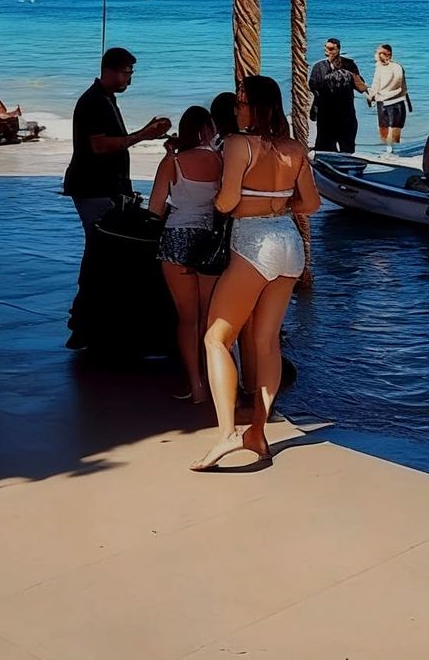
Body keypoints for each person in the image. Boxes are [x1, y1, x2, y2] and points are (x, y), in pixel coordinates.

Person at [191, 74, 320, 471]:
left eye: (243, 102)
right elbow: (311, 204)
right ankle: (258, 431)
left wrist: (224, 198)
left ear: (257, 106)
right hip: (288, 244)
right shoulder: (295, 149)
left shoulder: (237, 144)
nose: (237, 107)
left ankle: (228, 432)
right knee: (266, 341)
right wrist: (276, 201)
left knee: (216, 338)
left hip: (252, 245)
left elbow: (228, 203)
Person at [62, 47, 170, 349]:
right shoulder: (94, 102)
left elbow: (113, 141)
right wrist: (142, 135)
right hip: (93, 187)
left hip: (106, 186)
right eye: (126, 74)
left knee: (101, 252)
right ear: (110, 70)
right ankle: (84, 320)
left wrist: (143, 133)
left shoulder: (106, 100)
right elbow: (100, 146)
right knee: (99, 251)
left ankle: (89, 319)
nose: (129, 81)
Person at [149, 105, 224, 403]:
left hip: (177, 237)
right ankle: (216, 378)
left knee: (187, 319)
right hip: (210, 241)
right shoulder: (221, 160)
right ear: (208, 129)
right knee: (209, 317)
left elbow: (155, 207)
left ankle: (196, 387)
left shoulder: (173, 162)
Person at [308, 37, 366, 153]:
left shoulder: (349, 64)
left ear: (338, 49)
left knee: (347, 147)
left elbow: (360, 85)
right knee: (325, 148)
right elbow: (314, 87)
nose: (327, 52)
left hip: (346, 113)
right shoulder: (319, 67)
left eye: (330, 49)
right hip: (326, 114)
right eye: (325, 48)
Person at [366, 43, 411, 150]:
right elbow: (402, 86)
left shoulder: (386, 67)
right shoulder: (396, 67)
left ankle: (388, 153)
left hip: (387, 101)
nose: (375, 55)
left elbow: (377, 85)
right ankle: (391, 153)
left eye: (378, 53)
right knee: (391, 133)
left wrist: (371, 96)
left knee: (388, 132)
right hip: (394, 102)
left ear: (387, 55)